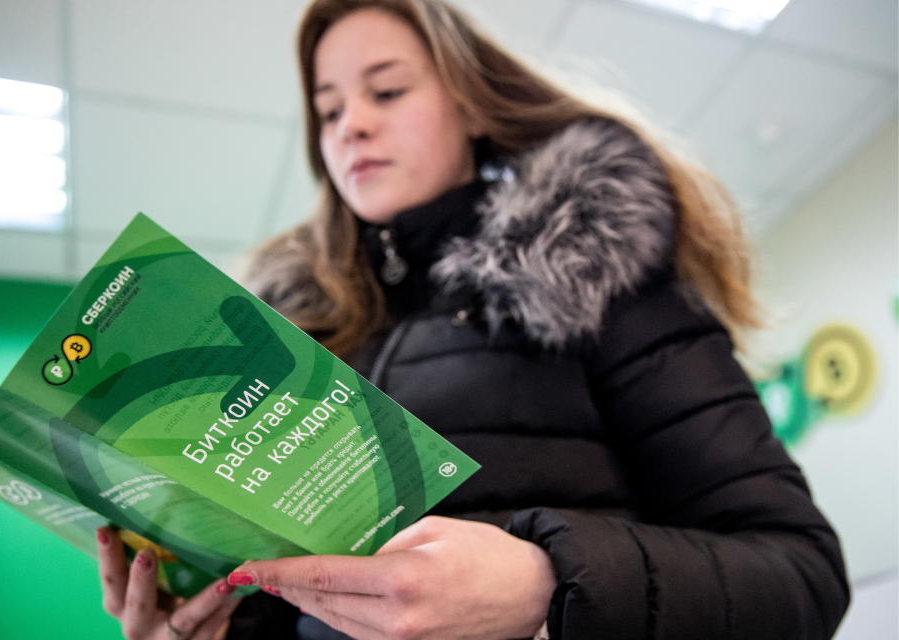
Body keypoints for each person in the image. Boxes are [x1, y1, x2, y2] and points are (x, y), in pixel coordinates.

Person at [96, 1, 851, 638]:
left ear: (468, 102)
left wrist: (546, 584)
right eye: (328, 110)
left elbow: (801, 572)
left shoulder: (593, 274)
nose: (349, 126)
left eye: (385, 92)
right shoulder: (297, 344)